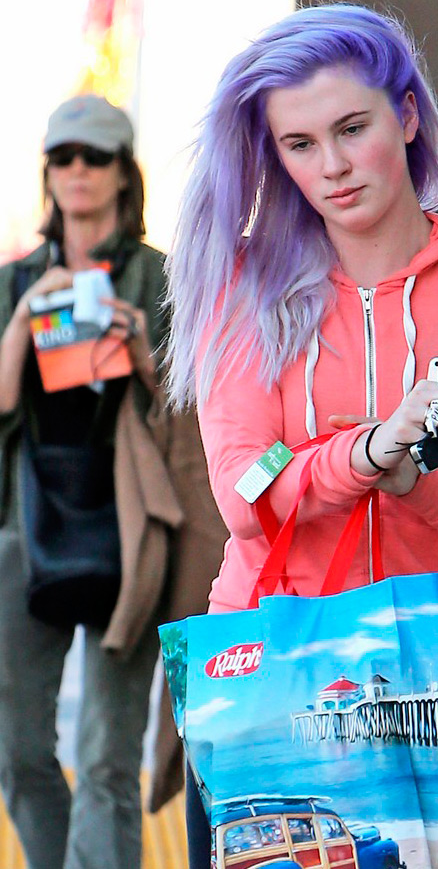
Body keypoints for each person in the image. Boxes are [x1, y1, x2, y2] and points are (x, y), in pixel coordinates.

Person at [165, 3, 438, 863]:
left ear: (407, 115)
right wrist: (364, 452)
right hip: (265, 701)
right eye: (299, 144)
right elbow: (247, 493)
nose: (332, 167)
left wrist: (425, 485)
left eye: (352, 128)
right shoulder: (240, 292)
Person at [0, 94, 226, 869]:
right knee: (17, 747)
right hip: (25, 520)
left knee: (104, 754)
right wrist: (24, 320)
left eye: (94, 157)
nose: (77, 172)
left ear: (123, 173)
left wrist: (143, 360)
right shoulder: (18, 279)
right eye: (62, 158)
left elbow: (196, 415)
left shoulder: (161, 279)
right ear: (48, 173)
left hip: (131, 526)